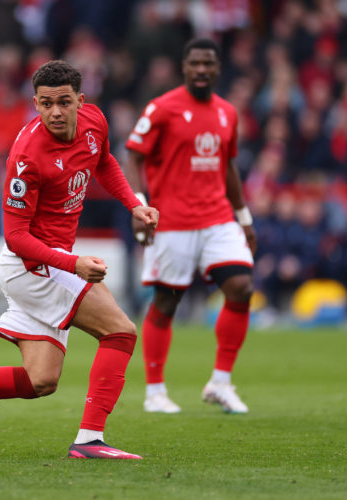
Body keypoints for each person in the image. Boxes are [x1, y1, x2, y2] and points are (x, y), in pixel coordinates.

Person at [0, 60, 159, 459]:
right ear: (35, 104)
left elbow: (103, 160)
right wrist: (73, 265)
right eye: (45, 104)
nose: (55, 112)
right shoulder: (27, 157)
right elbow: (16, 236)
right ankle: (90, 440)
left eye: (63, 102)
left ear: (80, 101)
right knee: (120, 332)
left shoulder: (94, 122)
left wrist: (133, 204)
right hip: (34, 267)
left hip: (52, 265)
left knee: (42, 381)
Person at [124, 38, 257, 414]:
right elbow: (133, 156)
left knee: (242, 287)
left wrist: (243, 216)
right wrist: (140, 205)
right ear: (184, 66)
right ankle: (155, 392)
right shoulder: (162, 108)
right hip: (172, 221)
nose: (201, 70)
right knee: (167, 302)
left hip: (217, 217)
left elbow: (228, 166)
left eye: (208, 64)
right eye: (195, 63)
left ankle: (221, 381)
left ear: (217, 68)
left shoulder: (227, 112)